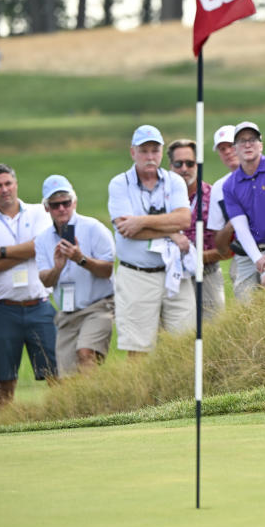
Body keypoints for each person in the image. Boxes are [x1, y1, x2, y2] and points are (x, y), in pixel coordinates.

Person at [107, 124, 195, 355]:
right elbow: (127, 230)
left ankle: (180, 393)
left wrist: (142, 221)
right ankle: (142, 393)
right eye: (143, 150)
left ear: (161, 152)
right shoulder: (119, 184)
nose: (149, 156)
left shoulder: (174, 181)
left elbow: (184, 220)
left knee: (183, 344)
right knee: (138, 349)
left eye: (154, 150)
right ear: (132, 152)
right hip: (137, 274)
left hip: (174, 270)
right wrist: (169, 230)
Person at [0, 164, 56, 409]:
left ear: (16, 184)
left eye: (8, 183)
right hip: (2, 309)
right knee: (3, 378)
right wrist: (29, 250)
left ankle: (64, 420)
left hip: (39, 305)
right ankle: (6, 424)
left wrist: (1, 252)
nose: (4, 189)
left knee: (55, 372)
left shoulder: (38, 213)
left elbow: (41, 246)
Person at [34, 175, 114, 376]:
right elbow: (45, 279)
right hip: (67, 314)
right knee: (68, 379)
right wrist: (58, 268)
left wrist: (81, 259)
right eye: (55, 205)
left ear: (74, 202)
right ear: (46, 208)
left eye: (66, 203)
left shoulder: (94, 228)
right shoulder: (43, 240)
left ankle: (95, 407)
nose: (61, 209)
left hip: (99, 307)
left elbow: (108, 270)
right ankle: (84, 407)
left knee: (86, 354)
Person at [222, 121, 265, 300]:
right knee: (246, 303)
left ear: (260, 145)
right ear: (235, 148)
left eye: (252, 139)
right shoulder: (230, 185)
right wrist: (257, 259)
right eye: (241, 141)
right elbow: (240, 227)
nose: (247, 144)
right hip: (248, 253)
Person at [168, 139, 225, 318]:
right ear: (171, 166)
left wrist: (197, 258)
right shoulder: (162, 197)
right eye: (178, 164)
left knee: (213, 333)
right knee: (177, 336)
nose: (184, 168)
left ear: (197, 165)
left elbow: (226, 247)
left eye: (190, 163)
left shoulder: (213, 195)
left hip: (207, 273)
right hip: (171, 276)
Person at [204, 124, 240, 284]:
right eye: (222, 149)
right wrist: (232, 224)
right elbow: (219, 243)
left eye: (230, 145)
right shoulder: (219, 188)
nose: (227, 151)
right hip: (242, 257)